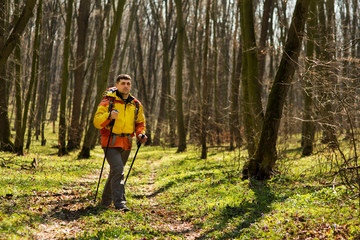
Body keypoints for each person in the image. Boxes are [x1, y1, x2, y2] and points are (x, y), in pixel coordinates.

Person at [93, 74, 147, 212]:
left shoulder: (135, 104)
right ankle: (120, 204)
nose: (126, 86)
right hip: (110, 141)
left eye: (128, 83)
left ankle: (105, 203)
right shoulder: (108, 101)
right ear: (116, 85)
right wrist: (109, 116)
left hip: (127, 142)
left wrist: (140, 133)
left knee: (115, 172)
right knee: (118, 169)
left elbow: (140, 122)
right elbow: (97, 121)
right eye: (123, 83)